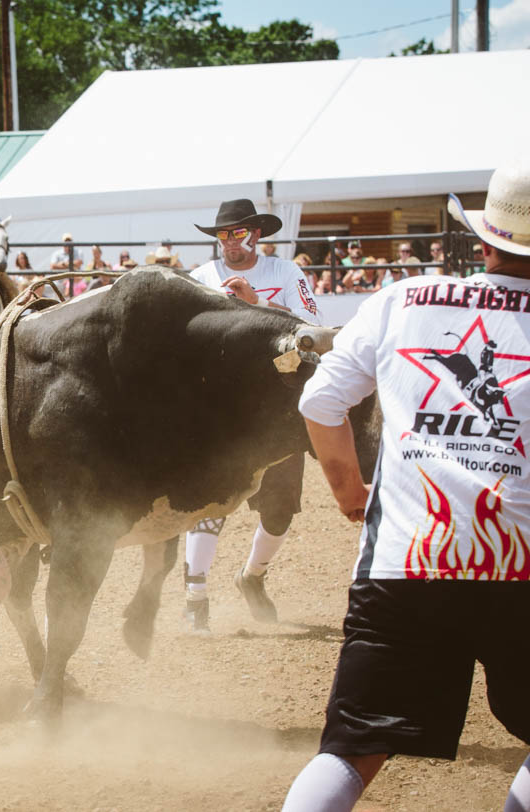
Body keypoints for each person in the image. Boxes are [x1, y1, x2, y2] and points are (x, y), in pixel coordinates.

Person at [281, 160, 530, 812]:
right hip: (523, 565)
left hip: (406, 559)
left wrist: (347, 493)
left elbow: (321, 402)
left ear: (484, 242)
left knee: (351, 749)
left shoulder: (402, 298)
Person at [183, 199, 322, 630]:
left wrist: (259, 306)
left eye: (239, 233)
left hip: (278, 407)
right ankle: (195, 596)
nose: (230, 242)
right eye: (224, 235)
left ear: (256, 235)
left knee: (279, 509)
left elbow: (316, 329)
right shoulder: (202, 280)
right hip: (221, 409)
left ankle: (253, 576)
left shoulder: (285, 273)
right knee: (210, 501)